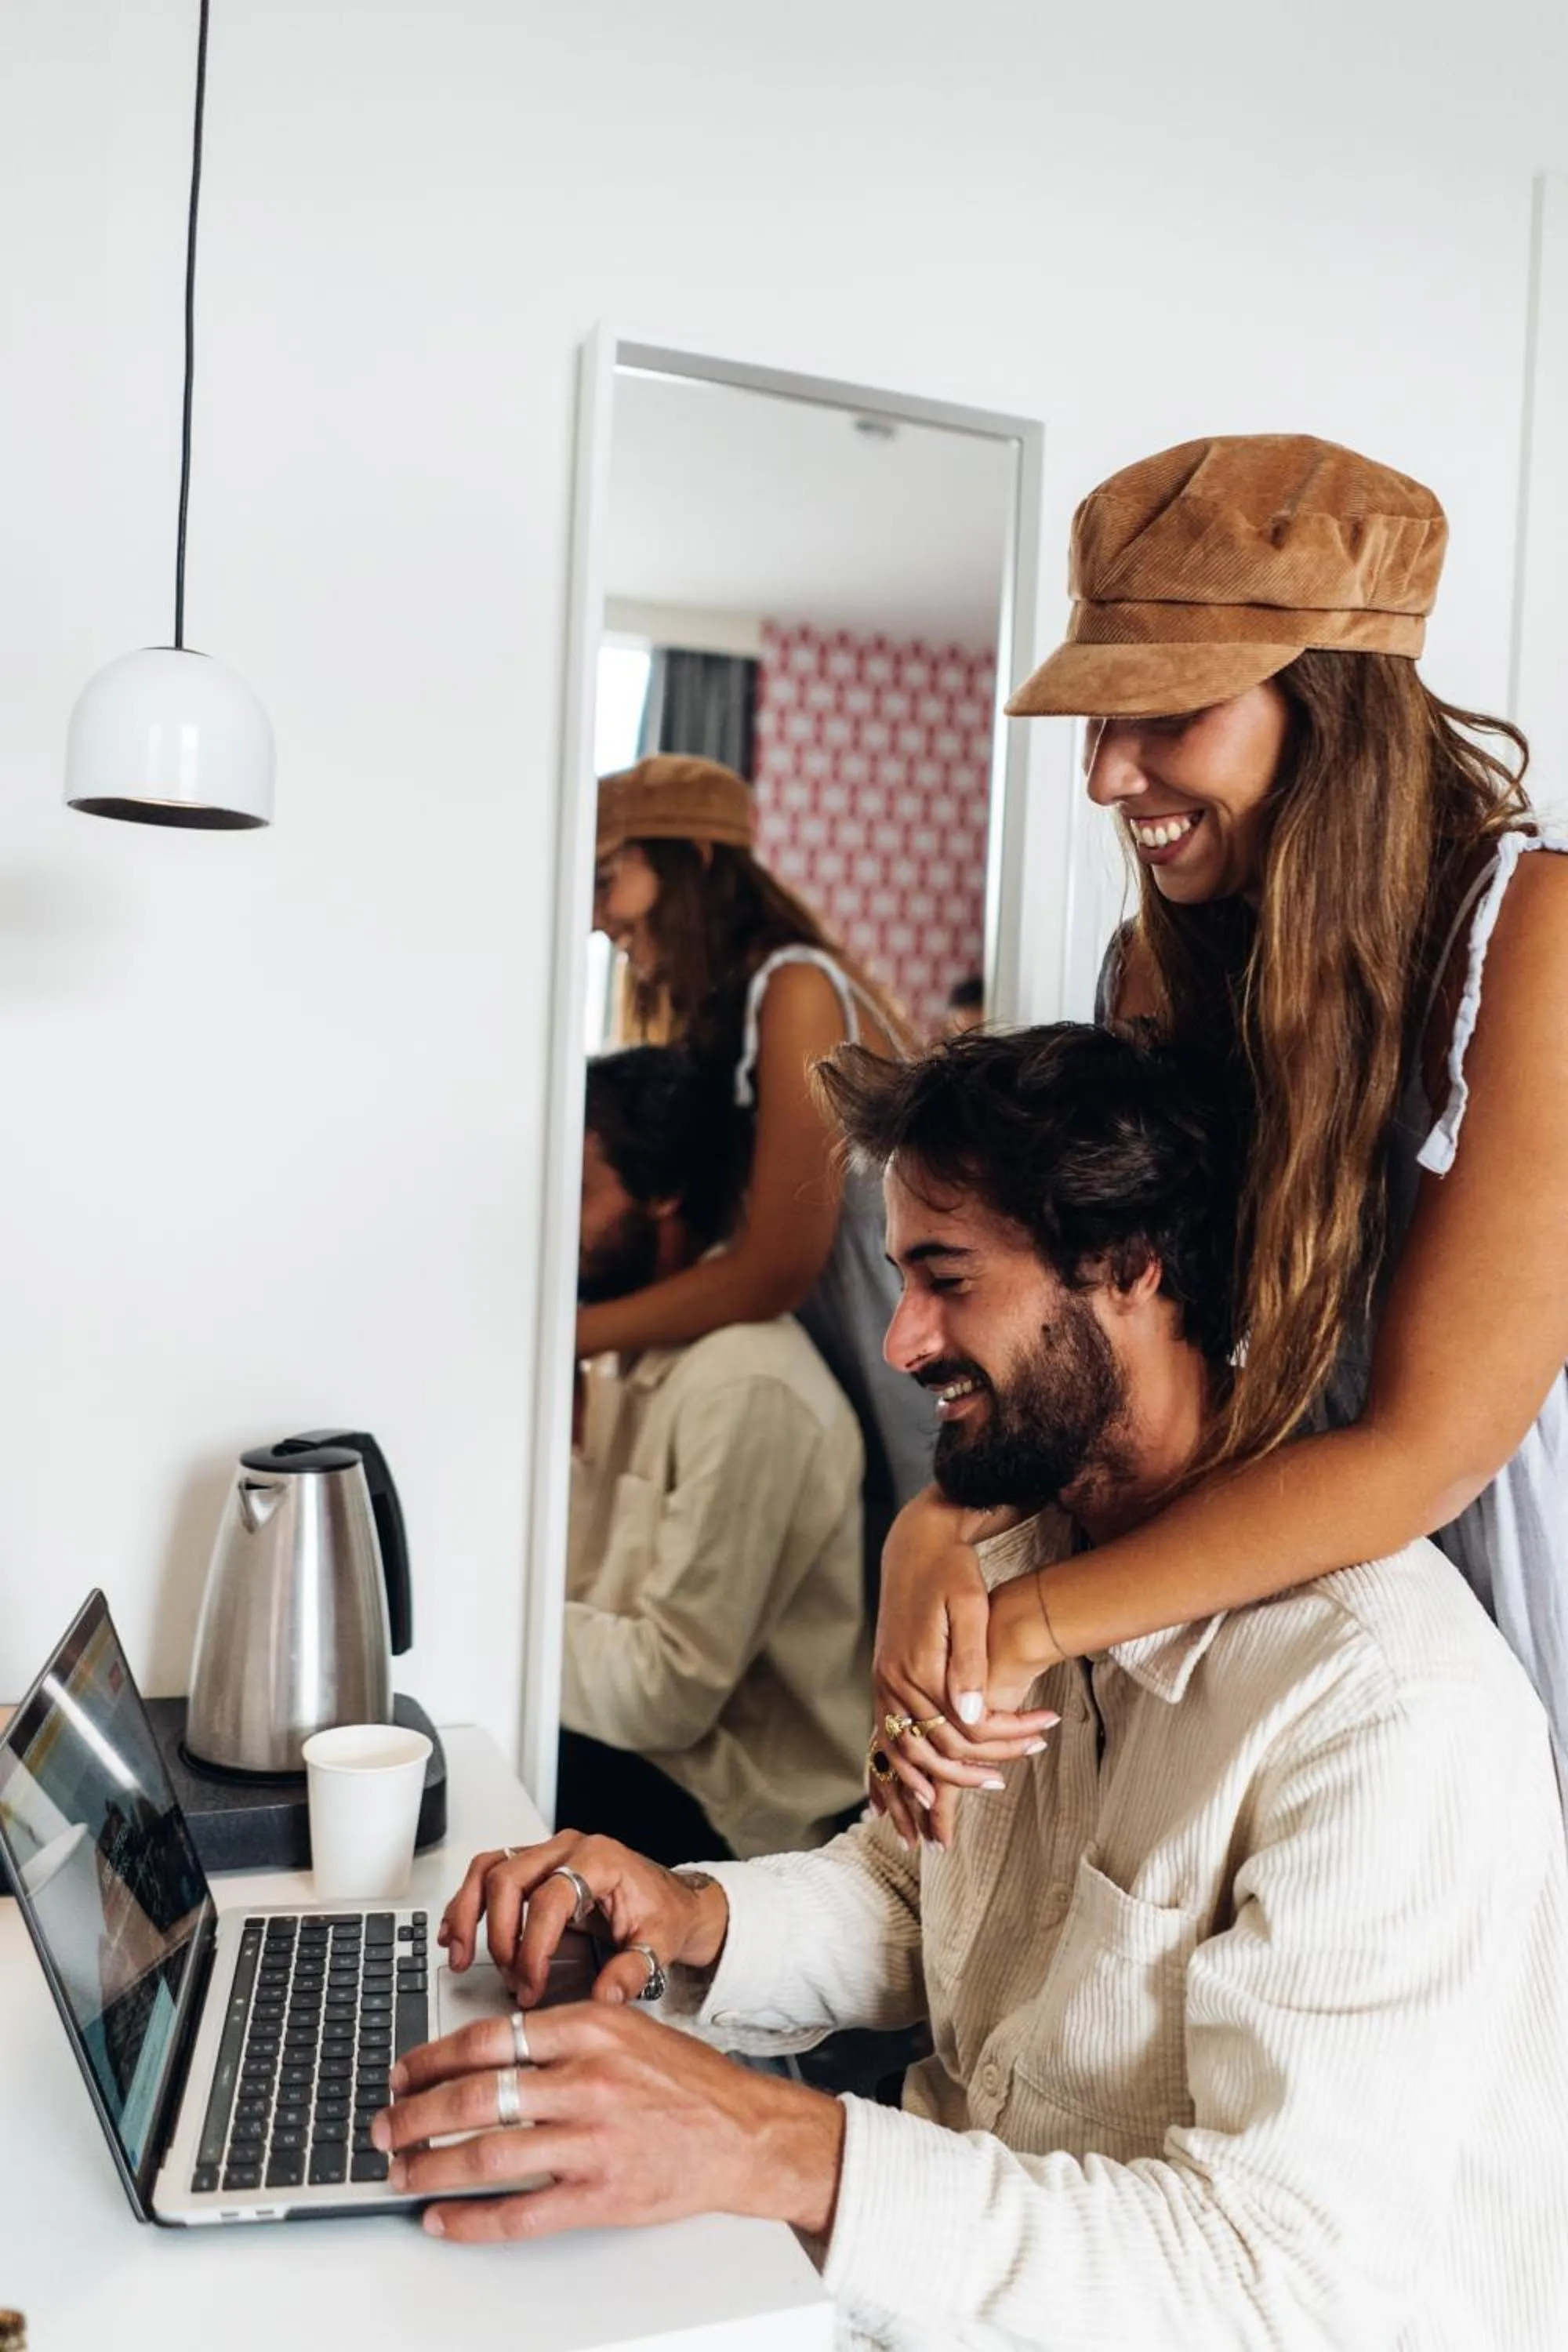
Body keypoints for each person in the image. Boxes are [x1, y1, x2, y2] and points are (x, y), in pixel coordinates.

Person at [372, 1026, 1568, 2352]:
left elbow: (1276, 2285)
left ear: (1129, 1268)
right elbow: (913, 1899)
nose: (897, 1341)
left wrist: (775, 2143)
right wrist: (693, 1917)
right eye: (901, 1280)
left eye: (947, 1280)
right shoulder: (1028, 1568)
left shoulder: (1381, 1710)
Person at [868, 432, 1568, 1835]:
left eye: (1164, 712)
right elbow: (1112, 1324)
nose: (1107, 775)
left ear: (1329, 704)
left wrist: (1027, 1619)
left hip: (1476, 1615)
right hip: (1252, 1602)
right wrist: (932, 1532)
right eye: (1095, 719)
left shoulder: (1533, 942)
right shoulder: (1158, 967)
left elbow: (1425, 1448)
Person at [588, 753, 932, 1603]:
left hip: (897, 1360)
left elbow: (775, 1264)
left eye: (608, 881)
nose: (599, 921)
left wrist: (572, 1336)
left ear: (695, 861)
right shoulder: (734, 1010)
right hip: (837, 1363)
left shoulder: (799, 990)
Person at [563, 1044, 869, 1864]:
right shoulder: (614, 1351)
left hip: (744, 1816)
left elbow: (665, 1696)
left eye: (581, 1192)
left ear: (663, 1195)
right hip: (641, 1757)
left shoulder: (746, 1387)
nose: (557, 1222)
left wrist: (494, 1628)